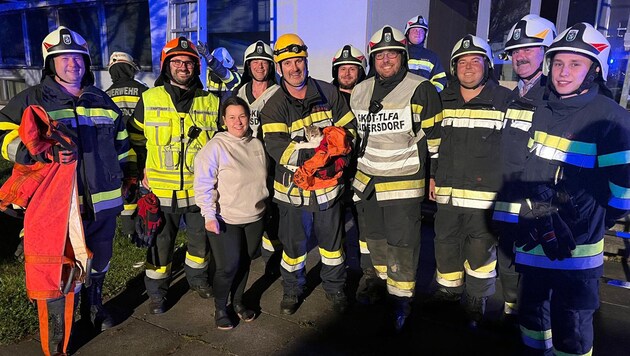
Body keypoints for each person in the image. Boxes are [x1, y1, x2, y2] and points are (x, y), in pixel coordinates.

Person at [0, 26, 131, 354]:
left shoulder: (102, 100)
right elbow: (1, 132)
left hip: (104, 206)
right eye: (64, 59)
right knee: (61, 271)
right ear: (50, 64)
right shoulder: (32, 99)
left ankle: (95, 305)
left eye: (78, 58)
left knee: (100, 261)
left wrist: (129, 178)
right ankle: (62, 329)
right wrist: (32, 151)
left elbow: (122, 144)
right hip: (59, 210)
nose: (73, 64)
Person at [515, 22, 630, 355]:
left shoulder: (611, 118)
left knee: (573, 329)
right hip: (536, 237)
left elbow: (623, 194)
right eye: (559, 63)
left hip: (577, 251)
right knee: (532, 317)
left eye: (575, 64)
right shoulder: (544, 110)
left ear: (594, 70)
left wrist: (587, 223)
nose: (563, 73)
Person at [350, 25, 442, 331]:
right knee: (373, 237)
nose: (386, 60)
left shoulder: (420, 88)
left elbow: (436, 138)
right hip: (368, 181)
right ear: (373, 59)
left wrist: (434, 177)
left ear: (403, 56)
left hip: (403, 179)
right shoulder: (361, 90)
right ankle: (377, 282)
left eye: (392, 54)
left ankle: (401, 299)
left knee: (403, 243)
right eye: (380, 55)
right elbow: (356, 131)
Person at [259, 33, 356, 315]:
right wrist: (324, 154)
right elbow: (280, 150)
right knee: (293, 248)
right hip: (293, 193)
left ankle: (335, 288)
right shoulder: (274, 105)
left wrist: (337, 156)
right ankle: (293, 290)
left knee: (333, 245)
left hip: (328, 189)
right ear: (279, 68)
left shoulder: (329, 92)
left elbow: (350, 132)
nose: (294, 68)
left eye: (298, 60)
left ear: (306, 61)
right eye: (287, 63)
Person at [130, 37, 220, 314]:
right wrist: (137, 174)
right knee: (161, 244)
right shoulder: (148, 99)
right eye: (177, 62)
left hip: (198, 191)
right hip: (159, 192)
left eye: (189, 62)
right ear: (166, 66)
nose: (183, 67)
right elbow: (135, 142)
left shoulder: (211, 101)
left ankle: (197, 280)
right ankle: (157, 292)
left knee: (199, 242)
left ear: (196, 67)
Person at [432, 34, 511, 327]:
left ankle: (477, 298)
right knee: (445, 242)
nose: (467, 68)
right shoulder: (444, 99)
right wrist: (431, 177)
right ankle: (449, 289)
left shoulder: (504, 99)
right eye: (462, 62)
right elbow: (435, 144)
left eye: (475, 61)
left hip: (484, 194)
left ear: (487, 66)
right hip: (447, 190)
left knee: (480, 248)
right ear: (454, 68)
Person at [492, 14, 556, 321]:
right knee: (507, 259)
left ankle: (532, 320)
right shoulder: (509, 97)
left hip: (538, 200)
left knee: (535, 264)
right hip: (507, 193)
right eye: (516, 51)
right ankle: (510, 311)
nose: (521, 56)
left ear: (547, 51)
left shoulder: (554, 99)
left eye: (529, 49)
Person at [194, 96, 268, 330]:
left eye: (242, 116)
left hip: (254, 216)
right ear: (224, 120)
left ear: (249, 118)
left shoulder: (256, 144)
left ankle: (238, 302)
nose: (238, 122)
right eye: (232, 117)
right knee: (228, 266)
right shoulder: (216, 147)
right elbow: (204, 183)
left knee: (245, 262)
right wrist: (208, 214)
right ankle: (220, 307)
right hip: (225, 218)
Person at [234, 40, 282, 275]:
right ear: (248, 66)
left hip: (272, 165)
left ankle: (272, 260)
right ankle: (248, 253)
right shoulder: (239, 94)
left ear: (271, 66)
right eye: (255, 62)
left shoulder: (280, 93)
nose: (260, 67)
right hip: (245, 166)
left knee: (274, 216)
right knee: (250, 211)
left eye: (264, 62)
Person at [105, 51, 149, 240]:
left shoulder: (104, 96)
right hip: (141, 146)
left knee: (125, 187)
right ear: (131, 70)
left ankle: (129, 229)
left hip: (117, 150)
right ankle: (145, 223)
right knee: (144, 183)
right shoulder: (145, 91)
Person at [404, 15, 447, 92]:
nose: (418, 33)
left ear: (425, 35)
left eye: (421, 31)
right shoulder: (401, 54)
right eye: (415, 30)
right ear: (407, 33)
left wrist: (432, 94)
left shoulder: (432, 57)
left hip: (424, 101)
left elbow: (440, 79)